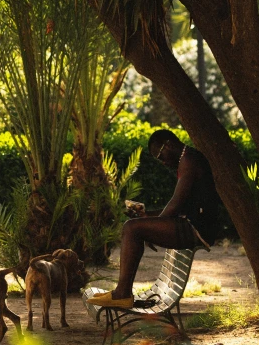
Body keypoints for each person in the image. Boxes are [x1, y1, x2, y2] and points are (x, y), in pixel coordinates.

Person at [86, 129, 221, 309]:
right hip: (192, 223)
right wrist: (148, 216)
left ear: (169, 145)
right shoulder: (186, 159)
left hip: (197, 228)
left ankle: (122, 294)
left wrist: (153, 226)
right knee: (134, 226)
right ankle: (122, 293)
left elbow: (175, 204)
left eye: (160, 156)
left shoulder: (188, 160)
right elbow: (178, 206)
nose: (163, 162)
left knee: (131, 228)